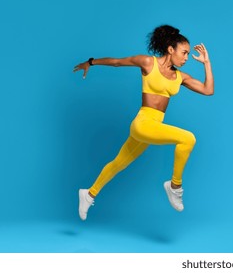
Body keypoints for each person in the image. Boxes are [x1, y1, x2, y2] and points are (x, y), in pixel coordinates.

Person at [73, 24, 214, 221]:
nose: (186, 58)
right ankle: (175, 186)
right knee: (188, 138)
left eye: (188, 54)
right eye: (184, 52)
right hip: (143, 123)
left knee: (118, 163)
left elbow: (208, 90)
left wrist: (206, 63)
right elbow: (117, 62)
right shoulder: (149, 63)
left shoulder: (180, 77)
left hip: (153, 126)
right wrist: (91, 62)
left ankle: (88, 194)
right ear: (170, 49)